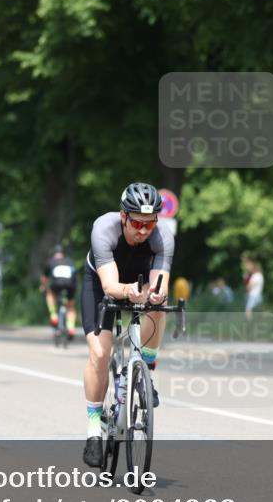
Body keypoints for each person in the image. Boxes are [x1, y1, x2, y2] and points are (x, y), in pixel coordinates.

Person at [80, 182, 173, 467]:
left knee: (159, 306)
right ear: (123, 217)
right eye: (137, 223)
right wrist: (128, 291)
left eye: (150, 223)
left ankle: (147, 367)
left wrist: (156, 294)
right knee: (99, 353)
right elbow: (109, 286)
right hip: (101, 284)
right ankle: (94, 429)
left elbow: (160, 284)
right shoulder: (103, 228)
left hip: (140, 281)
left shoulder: (163, 237)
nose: (144, 230)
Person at [40, 245, 77, 340]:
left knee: (50, 293)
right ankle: (71, 327)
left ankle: (53, 315)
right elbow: (74, 275)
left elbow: (44, 277)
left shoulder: (51, 261)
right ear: (63, 253)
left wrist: (43, 286)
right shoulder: (70, 261)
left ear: (54, 254)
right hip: (70, 286)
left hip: (56, 285)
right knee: (71, 307)